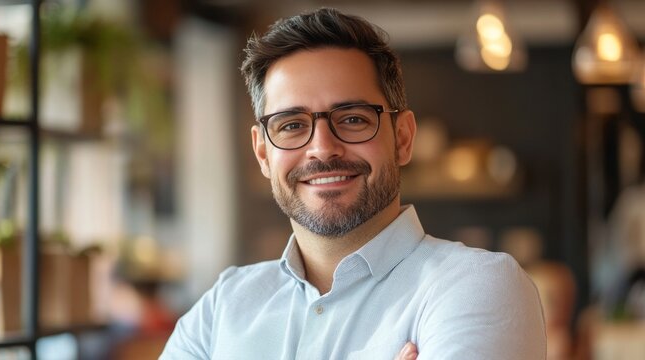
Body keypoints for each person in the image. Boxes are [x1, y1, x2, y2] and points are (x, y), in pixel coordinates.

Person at [160, 7, 546, 360]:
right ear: (263, 153)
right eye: (292, 126)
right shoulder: (223, 306)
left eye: (353, 119)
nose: (322, 149)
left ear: (403, 138)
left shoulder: (478, 287)